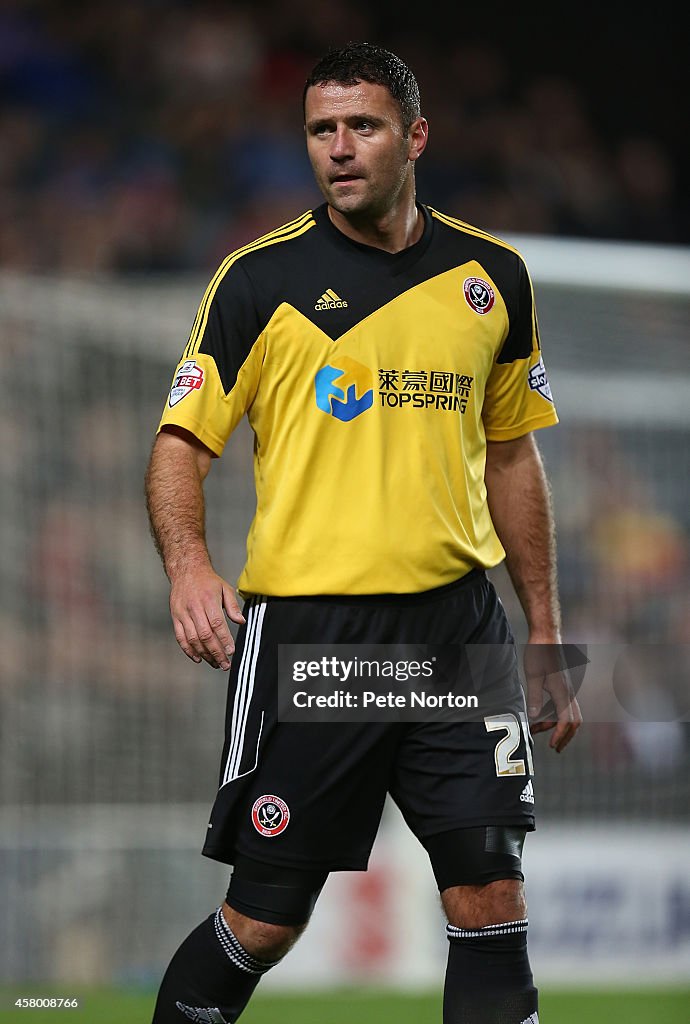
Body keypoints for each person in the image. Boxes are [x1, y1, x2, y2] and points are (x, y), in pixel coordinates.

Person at [145, 41, 582, 1024]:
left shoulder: (493, 277)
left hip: (460, 635)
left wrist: (548, 625)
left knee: (491, 897)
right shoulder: (258, 281)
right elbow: (180, 442)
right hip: (315, 639)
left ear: (415, 136)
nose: (339, 149)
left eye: (364, 126)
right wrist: (189, 565)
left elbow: (513, 455)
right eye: (321, 130)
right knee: (265, 920)